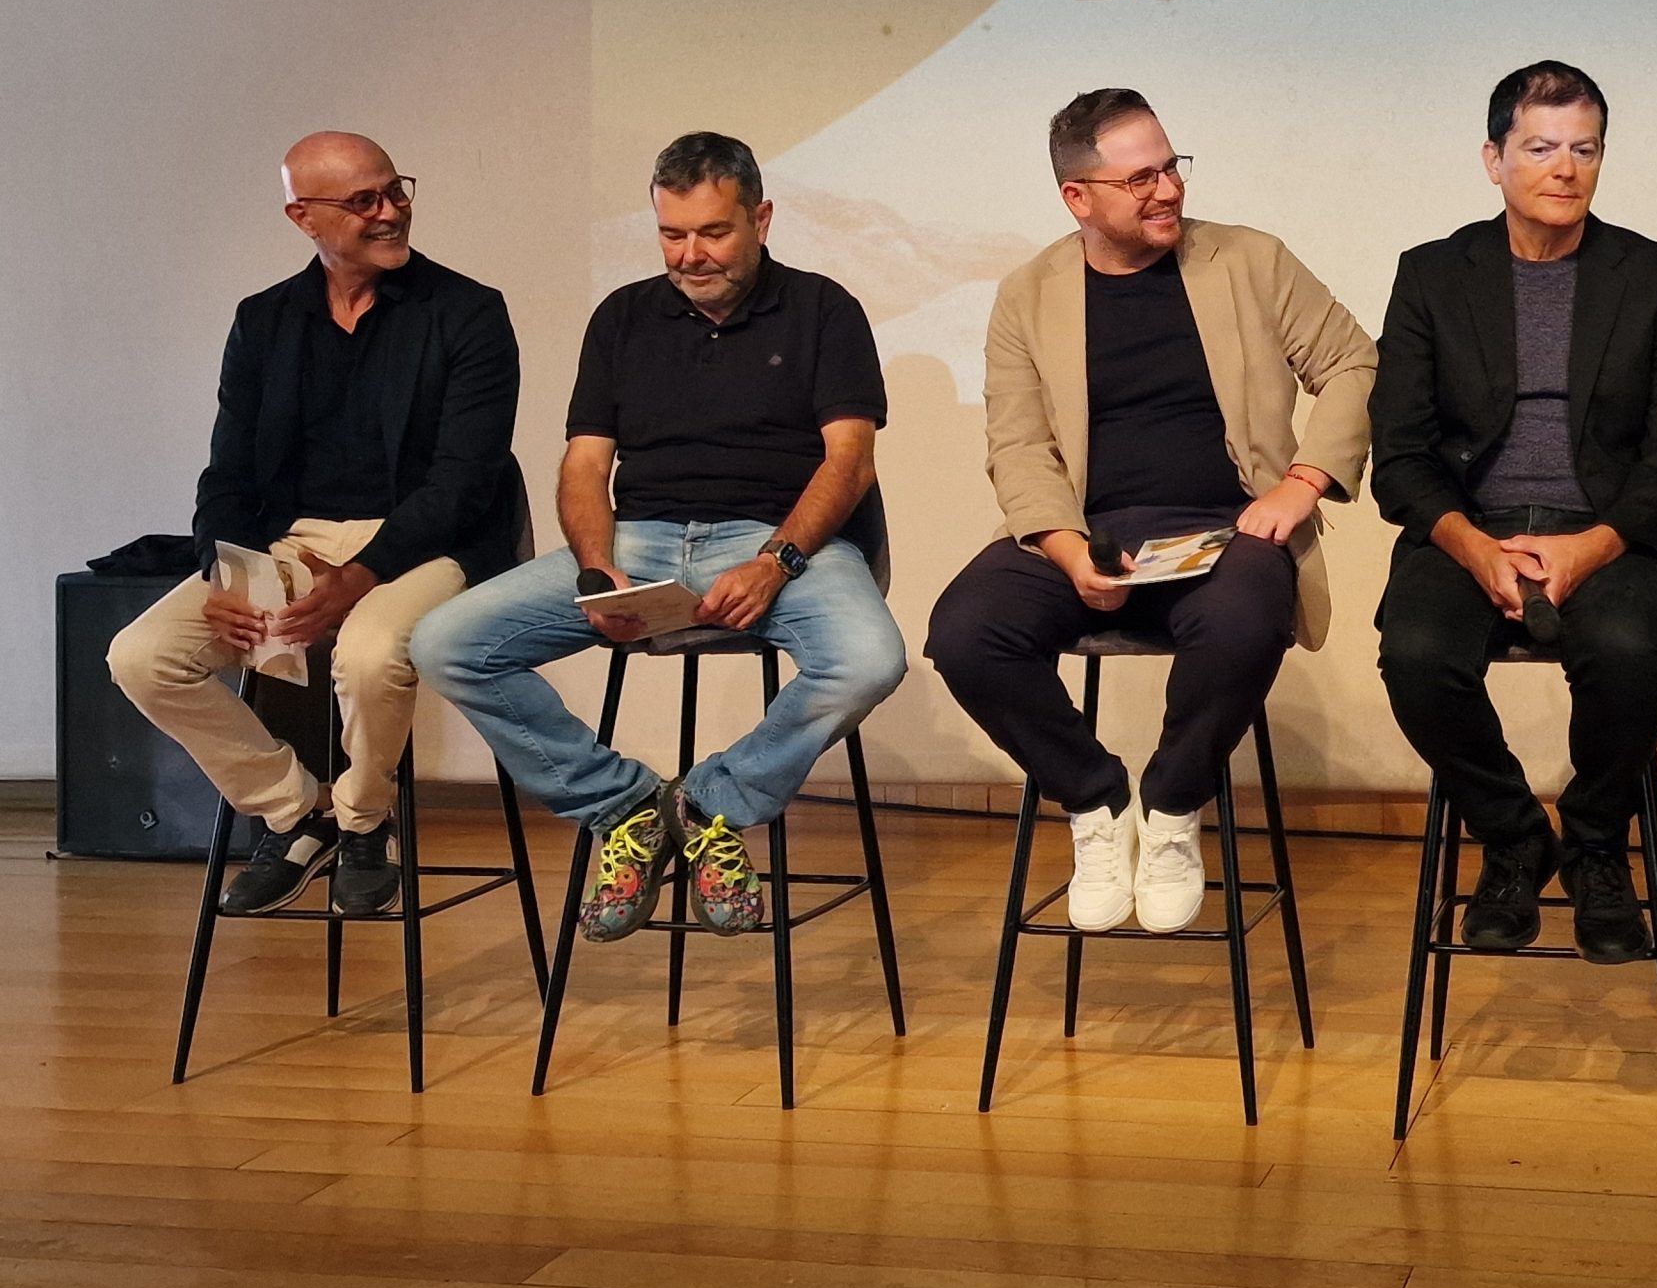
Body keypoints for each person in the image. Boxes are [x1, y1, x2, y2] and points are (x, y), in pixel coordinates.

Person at [413, 133, 905, 942]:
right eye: (672, 234)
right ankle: (627, 806)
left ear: (760, 220)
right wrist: (596, 571)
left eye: (712, 232)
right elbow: (584, 466)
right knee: (444, 643)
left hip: (778, 542)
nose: (690, 254)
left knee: (871, 660)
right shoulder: (623, 316)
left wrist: (775, 562)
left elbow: (849, 461)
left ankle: (712, 803)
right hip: (639, 541)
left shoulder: (824, 309)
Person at [926, 89, 1375, 933]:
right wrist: (1068, 551)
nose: (1168, 190)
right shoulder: (1028, 293)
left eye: (1172, 167)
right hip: (1089, 530)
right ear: (1078, 197)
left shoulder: (1250, 259)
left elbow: (1353, 361)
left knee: (1245, 618)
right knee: (965, 630)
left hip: (1228, 524)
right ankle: (1095, 803)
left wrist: (1302, 482)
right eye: (1140, 179)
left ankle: (1170, 808)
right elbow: (1018, 446)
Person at [108, 134, 521, 918]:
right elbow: (227, 473)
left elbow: (463, 484)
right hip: (295, 542)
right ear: (304, 218)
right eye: (364, 200)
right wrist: (229, 573)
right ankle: (298, 812)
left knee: (366, 657)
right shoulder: (264, 320)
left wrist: (360, 576)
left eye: (395, 189)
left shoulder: (467, 312)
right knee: (143, 657)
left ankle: (366, 822)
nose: (391, 211)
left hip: (426, 542)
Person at [1370, 62, 1657, 964]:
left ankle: (1597, 846)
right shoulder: (1432, 275)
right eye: (1540, 148)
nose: (1565, 168)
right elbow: (1399, 457)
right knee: (1415, 654)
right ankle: (1515, 836)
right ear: (1494, 160)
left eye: (1584, 150)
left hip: (1609, 529)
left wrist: (1590, 548)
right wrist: (1474, 547)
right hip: (1469, 527)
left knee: (1626, 650)